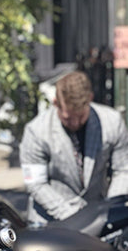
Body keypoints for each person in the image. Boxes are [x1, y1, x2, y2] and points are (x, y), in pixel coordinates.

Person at [20, 69, 128, 225]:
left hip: (98, 218)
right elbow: (36, 184)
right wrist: (76, 217)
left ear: (90, 100)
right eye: (68, 118)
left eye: (81, 117)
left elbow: (123, 170)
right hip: (50, 221)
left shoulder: (112, 122)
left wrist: (110, 209)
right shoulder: (36, 131)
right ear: (55, 103)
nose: (75, 123)